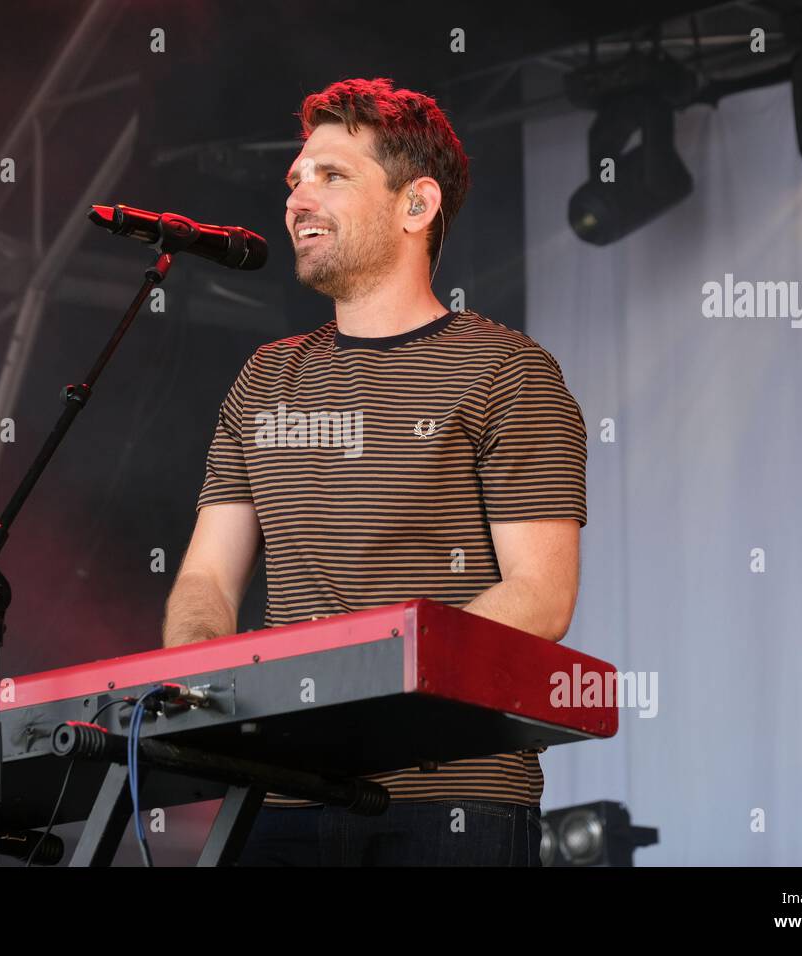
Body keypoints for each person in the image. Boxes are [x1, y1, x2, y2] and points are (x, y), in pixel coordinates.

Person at [162, 77, 587, 866]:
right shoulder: (264, 380)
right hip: (282, 793)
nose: (297, 197)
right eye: (295, 179)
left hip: (452, 799)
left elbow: (541, 595)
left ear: (416, 206)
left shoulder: (509, 372)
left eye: (332, 175)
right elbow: (206, 581)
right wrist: (197, 684)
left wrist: (362, 688)